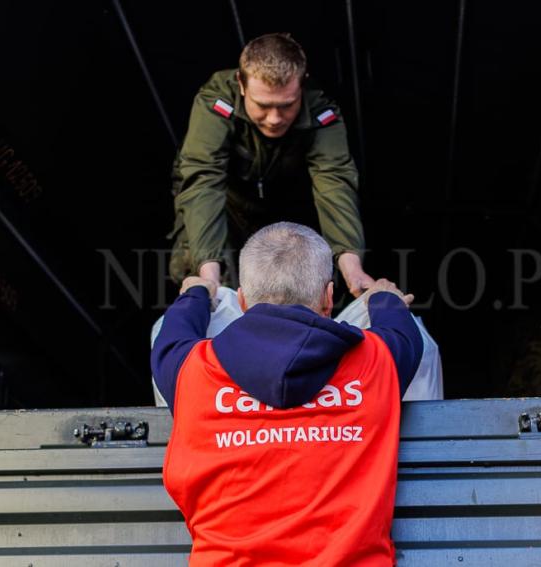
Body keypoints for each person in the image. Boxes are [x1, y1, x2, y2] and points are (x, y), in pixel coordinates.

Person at [152, 222, 423, 566]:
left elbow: (172, 333)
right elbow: (403, 330)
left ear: (243, 301)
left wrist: (197, 291)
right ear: (328, 298)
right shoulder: (378, 360)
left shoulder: (190, 369)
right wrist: (384, 296)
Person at [170, 32, 374, 297]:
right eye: (263, 106)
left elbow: (334, 184)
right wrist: (208, 276)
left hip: (286, 211)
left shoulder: (322, 112)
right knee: (207, 278)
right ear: (241, 85)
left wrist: (352, 267)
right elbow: (203, 182)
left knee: (311, 285)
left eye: (287, 105)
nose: (275, 118)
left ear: (302, 86)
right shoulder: (215, 103)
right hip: (225, 209)